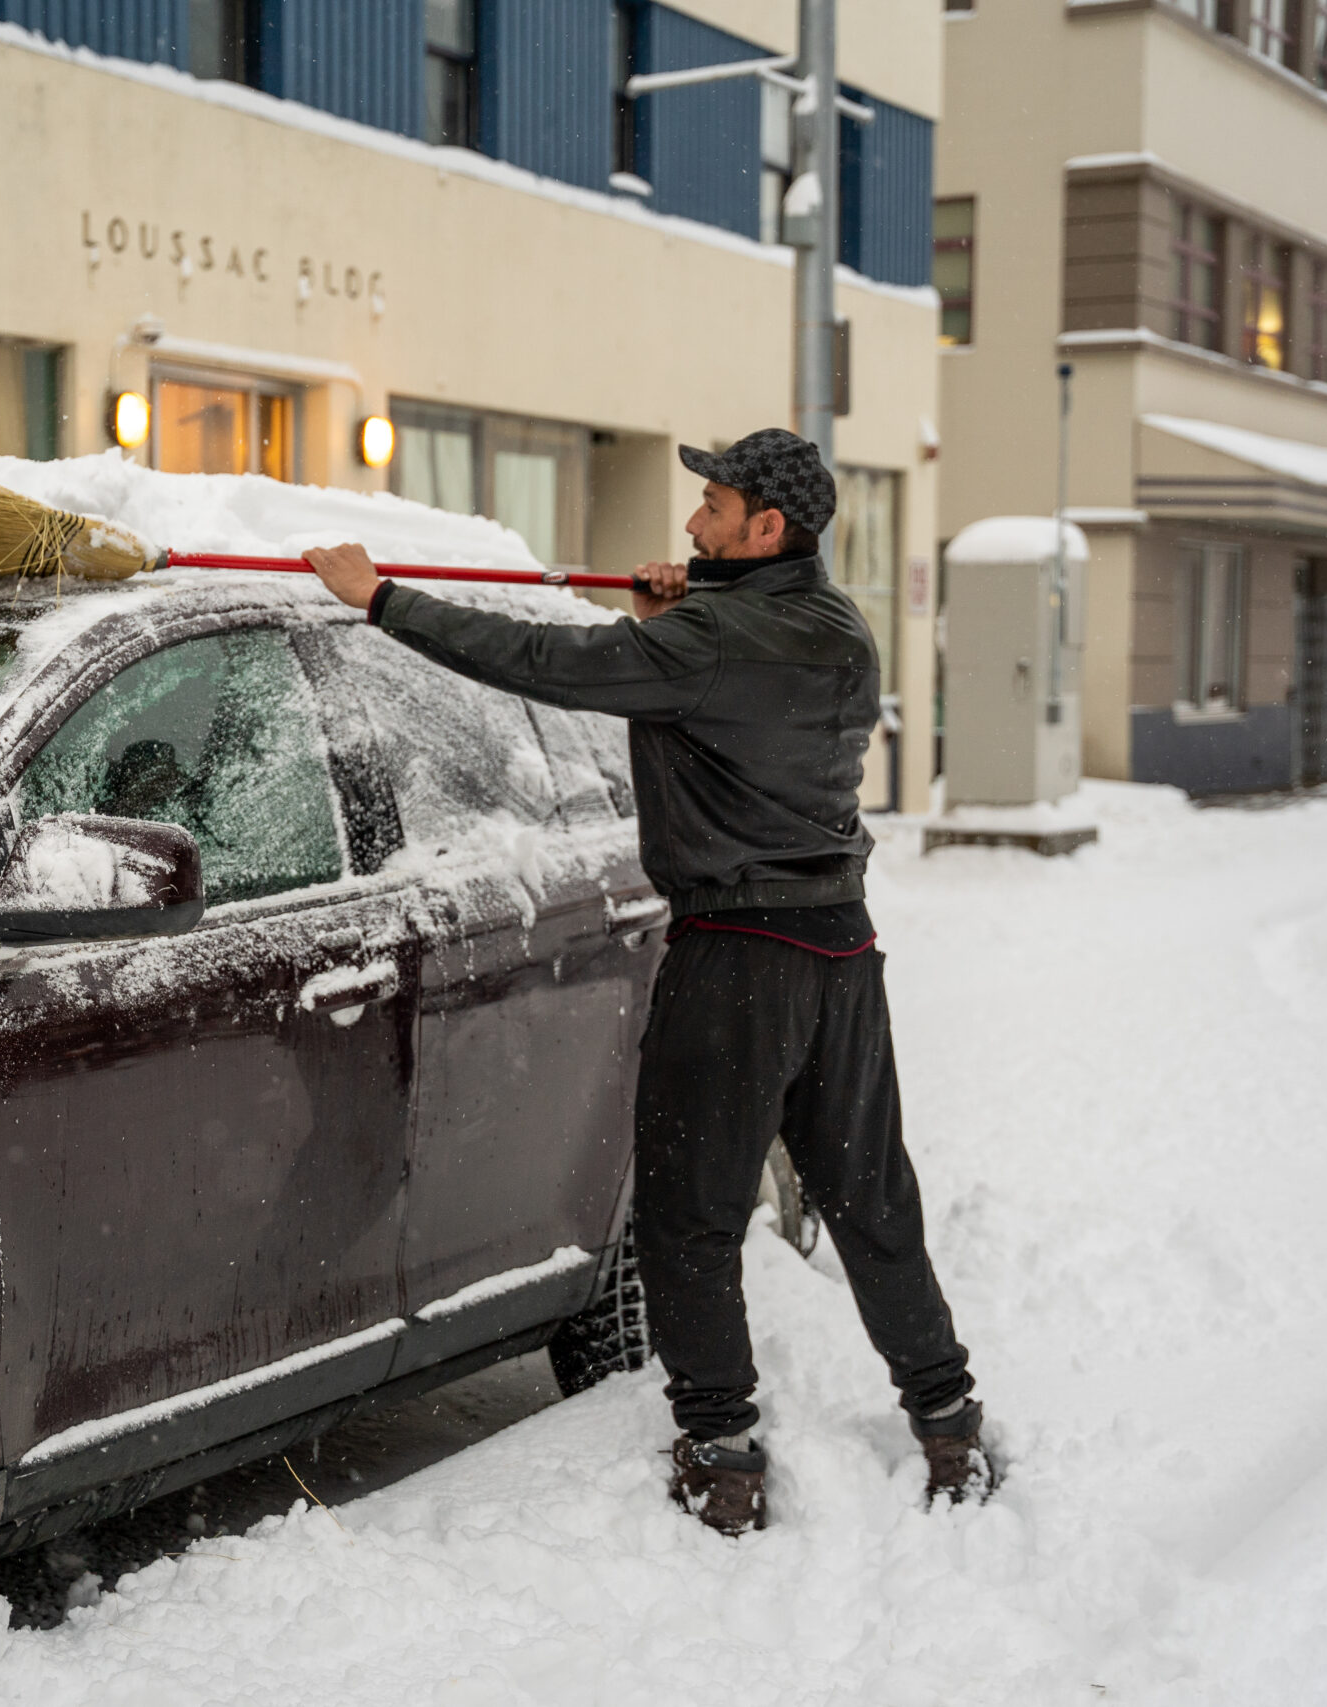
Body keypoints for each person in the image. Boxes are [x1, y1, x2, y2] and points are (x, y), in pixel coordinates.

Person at [303, 429, 989, 1537]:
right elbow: (721, 696)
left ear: (767, 528)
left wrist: (382, 599)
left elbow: (541, 664)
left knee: (687, 1211)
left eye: (712, 507)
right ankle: (947, 1419)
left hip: (736, 964)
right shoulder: (838, 633)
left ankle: (720, 1453)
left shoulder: (711, 642)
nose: (690, 523)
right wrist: (681, 615)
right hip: (841, 957)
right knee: (870, 1199)